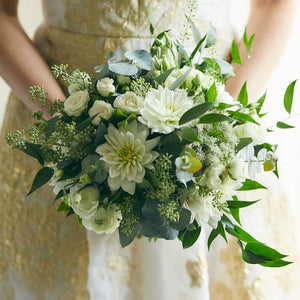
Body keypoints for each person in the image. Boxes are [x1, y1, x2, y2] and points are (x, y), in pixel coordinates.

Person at [0, 0, 298, 299]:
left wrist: (219, 123)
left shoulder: (216, 129)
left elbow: (275, 3)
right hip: (60, 112)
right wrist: (65, 123)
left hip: (212, 116)